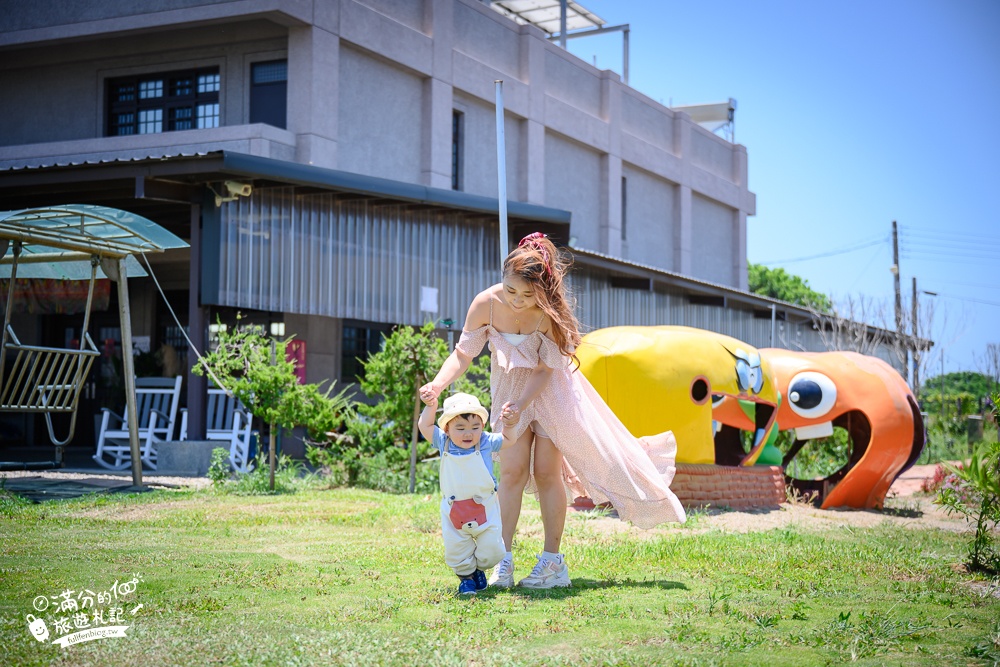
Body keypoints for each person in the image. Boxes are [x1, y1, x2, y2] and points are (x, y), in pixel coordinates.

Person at [420, 233, 686, 591]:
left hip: (550, 394)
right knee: (511, 473)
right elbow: (464, 353)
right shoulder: (486, 304)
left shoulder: (548, 315)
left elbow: (546, 370)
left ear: (542, 290)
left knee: (547, 473)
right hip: (509, 391)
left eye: (527, 295)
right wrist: (438, 384)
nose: (517, 301)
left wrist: (524, 403)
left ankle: (552, 562)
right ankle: (504, 559)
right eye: (511, 290)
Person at [418, 392, 512, 596]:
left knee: (493, 549)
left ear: (482, 427)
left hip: (485, 506)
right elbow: (424, 426)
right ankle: (466, 578)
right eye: (460, 428)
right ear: (447, 429)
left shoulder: (485, 441)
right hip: (454, 509)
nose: (468, 434)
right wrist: (430, 405)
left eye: (475, 428)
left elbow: (509, 440)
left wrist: (511, 424)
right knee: (457, 548)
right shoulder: (442, 442)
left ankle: (478, 569)